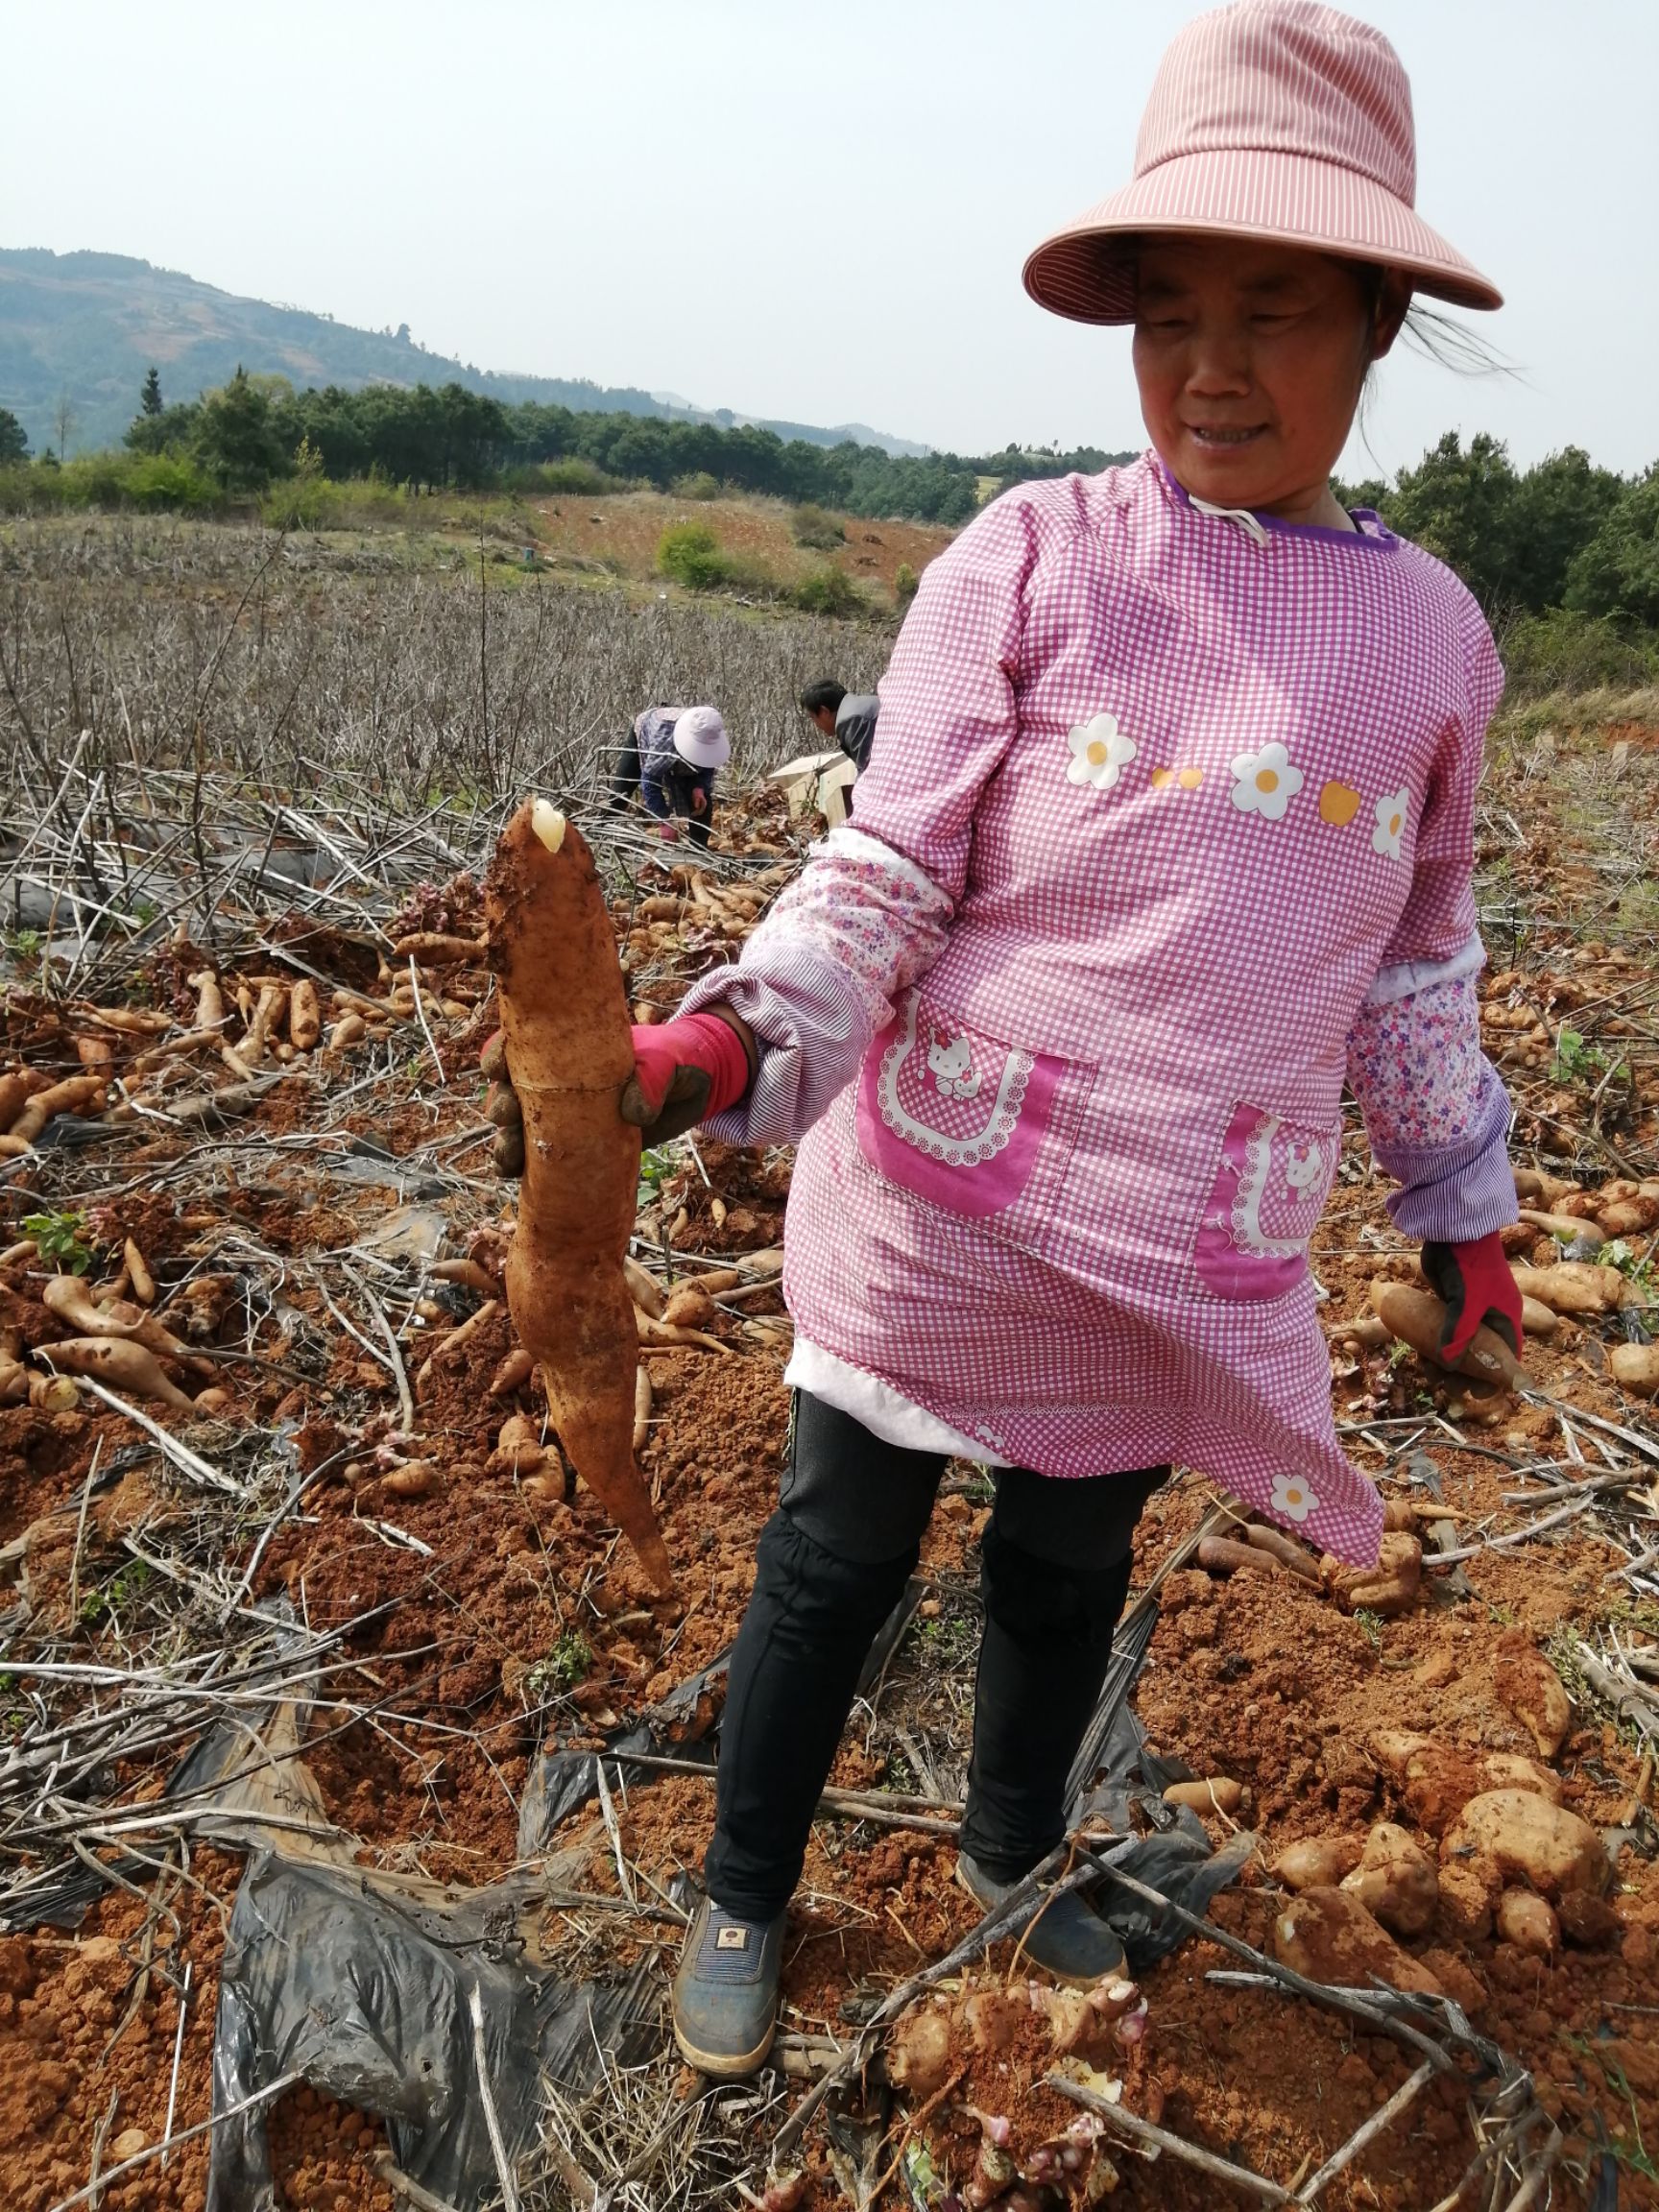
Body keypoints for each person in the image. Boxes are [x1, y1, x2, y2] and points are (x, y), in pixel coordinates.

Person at [500, 0, 1527, 2081]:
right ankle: (744, 1894)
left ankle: (1005, 1856)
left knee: (1064, 1583)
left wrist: (1460, 1212)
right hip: (948, 1192)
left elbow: (1418, 960)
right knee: (829, 1562)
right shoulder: (1034, 557)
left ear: (1379, 324)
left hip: (1179, 1242)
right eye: (1171, 316)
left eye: (1277, 311)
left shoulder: (1431, 643)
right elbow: (886, 876)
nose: (1215, 367)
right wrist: (726, 1051)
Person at [608, 703, 729, 848]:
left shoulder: (710, 731)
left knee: (701, 802)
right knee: (621, 792)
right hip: (646, 731)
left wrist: (700, 787)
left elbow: (709, 763)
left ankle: (699, 849)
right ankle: (602, 834)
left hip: (682, 746)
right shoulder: (663, 736)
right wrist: (664, 820)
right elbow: (650, 783)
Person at [800, 678, 879, 775]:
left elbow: (868, 773)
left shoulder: (850, 721)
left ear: (824, 712)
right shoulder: (857, 707)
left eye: (813, 718)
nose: (816, 725)